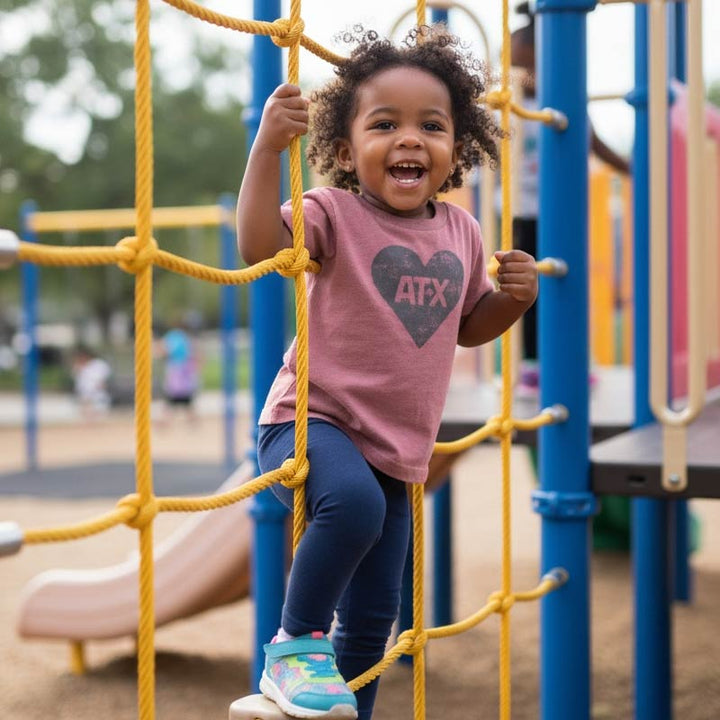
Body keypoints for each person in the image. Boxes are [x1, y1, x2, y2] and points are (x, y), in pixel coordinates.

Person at [236, 26, 538, 720]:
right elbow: (256, 246)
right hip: (312, 424)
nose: (409, 139)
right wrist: (265, 150)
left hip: (397, 449)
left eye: (431, 125)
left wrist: (515, 301)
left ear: (458, 148)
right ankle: (291, 650)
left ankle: (345, 711)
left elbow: (467, 325)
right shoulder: (332, 214)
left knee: (378, 616)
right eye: (384, 124)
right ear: (345, 150)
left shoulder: (460, 231)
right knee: (354, 508)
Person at [510, 1, 630, 391]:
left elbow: (597, 145)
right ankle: (532, 362)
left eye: (532, 65)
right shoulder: (510, 110)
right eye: (517, 67)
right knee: (528, 288)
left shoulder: (566, 105)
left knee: (570, 281)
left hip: (562, 212)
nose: (526, 76)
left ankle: (574, 357)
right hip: (523, 212)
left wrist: (633, 169)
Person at [155, 318, 200, 423]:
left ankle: (167, 418)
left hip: (177, 370)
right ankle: (191, 418)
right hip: (184, 370)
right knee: (185, 397)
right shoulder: (185, 337)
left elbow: (165, 350)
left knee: (173, 396)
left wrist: (157, 350)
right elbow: (192, 354)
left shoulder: (174, 337)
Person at [71, 345, 112, 417]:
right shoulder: (80, 366)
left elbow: (104, 377)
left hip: (97, 392)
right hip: (84, 392)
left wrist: (101, 384)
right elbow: (78, 379)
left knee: (97, 411)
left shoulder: (98, 364)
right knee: (85, 410)